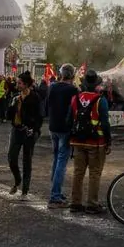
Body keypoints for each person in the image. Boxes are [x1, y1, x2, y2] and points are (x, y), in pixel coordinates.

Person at [67, 70, 111, 213]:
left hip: (78, 141)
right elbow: (105, 124)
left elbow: (69, 120)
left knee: (78, 172)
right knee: (94, 173)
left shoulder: (75, 98)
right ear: (97, 85)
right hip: (96, 142)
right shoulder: (100, 100)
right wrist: (108, 141)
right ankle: (92, 204)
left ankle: (75, 203)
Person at [45, 64, 79, 208]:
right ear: (72, 75)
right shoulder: (73, 90)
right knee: (61, 161)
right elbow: (76, 110)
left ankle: (56, 191)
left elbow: (47, 105)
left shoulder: (52, 87)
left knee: (56, 158)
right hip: (65, 128)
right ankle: (55, 196)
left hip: (53, 126)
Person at [7, 72, 43, 197]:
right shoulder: (16, 98)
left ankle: (25, 189)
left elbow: (39, 116)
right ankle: (18, 179)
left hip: (28, 132)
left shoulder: (35, 97)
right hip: (16, 130)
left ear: (26, 84)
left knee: (27, 160)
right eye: (17, 83)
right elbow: (8, 116)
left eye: (19, 83)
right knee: (12, 158)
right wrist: (12, 106)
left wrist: (35, 129)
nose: (17, 85)